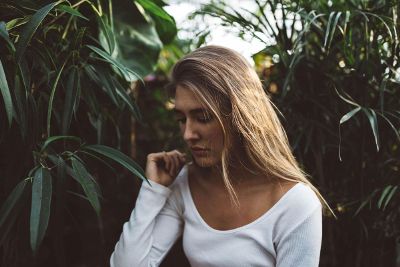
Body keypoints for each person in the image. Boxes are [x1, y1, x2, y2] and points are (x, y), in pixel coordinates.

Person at [110, 45, 332, 267]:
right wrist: (153, 191)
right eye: (181, 119)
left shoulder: (295, 203)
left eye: (203, 117)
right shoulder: (186, 183)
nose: (188, 134)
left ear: (240, 117)